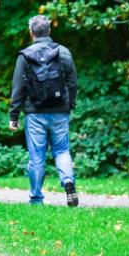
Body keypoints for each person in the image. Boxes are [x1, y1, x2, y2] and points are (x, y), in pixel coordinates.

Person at [8, 15, 79, 207]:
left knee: (37, 156)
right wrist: (69, 105)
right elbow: (72, 83)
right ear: (49, 31)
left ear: (31, 33)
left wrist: (14, 115)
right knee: (62, 150)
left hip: (35, 113)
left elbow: (18, 87)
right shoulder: (63, 52)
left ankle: (36, 198)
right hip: (60, 111)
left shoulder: (25, 55)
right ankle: (68, 181)